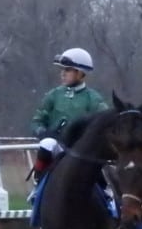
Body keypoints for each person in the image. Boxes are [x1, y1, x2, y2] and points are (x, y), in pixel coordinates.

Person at [28, 48, 108, 185]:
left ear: (80, 73)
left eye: (67, 70)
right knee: (47, 143)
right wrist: (44, 132)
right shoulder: (53, 95)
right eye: (62, 70)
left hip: (83, 149)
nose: (62, 74)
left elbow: (105, 125)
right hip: (58, 147)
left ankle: (107, 194)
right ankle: (38, 183)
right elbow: (36, 122)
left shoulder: (94, 99)